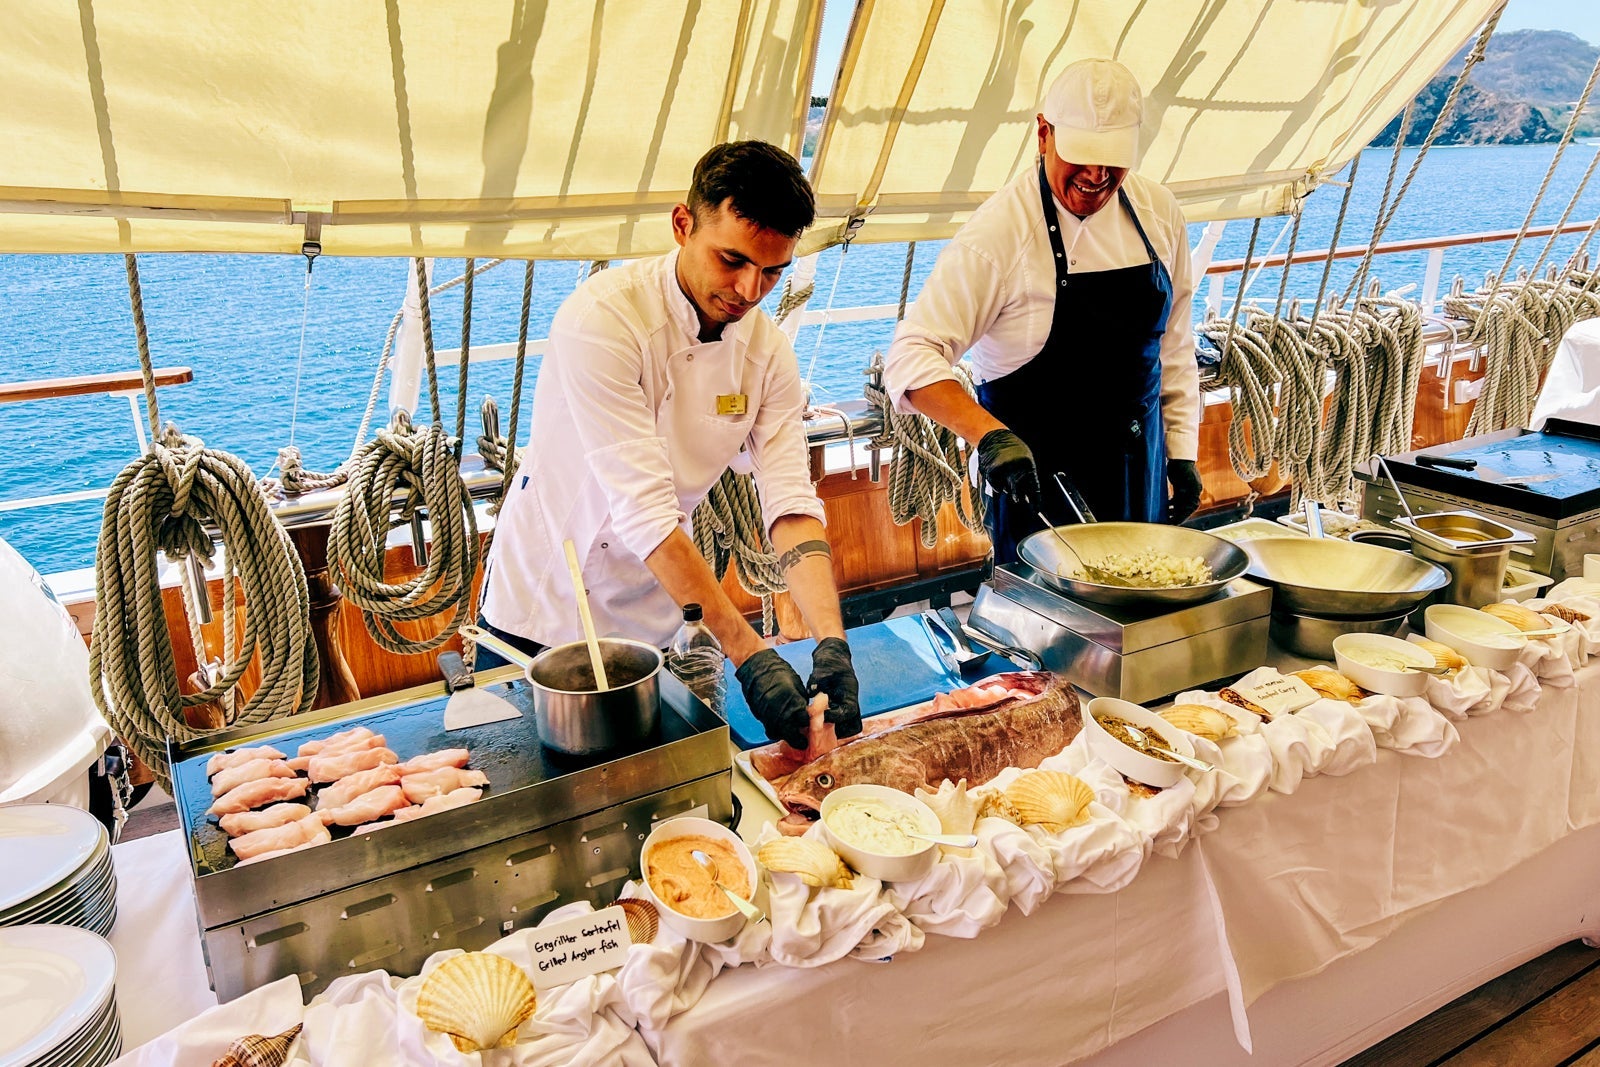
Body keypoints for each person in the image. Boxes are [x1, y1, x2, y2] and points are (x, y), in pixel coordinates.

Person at [479, 140, 861, 750]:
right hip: (548, 615)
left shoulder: (765, 353)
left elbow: (790, 500)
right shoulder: (603, 321)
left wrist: (832, 643)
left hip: (660, 616)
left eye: (772, 271)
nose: (748, 289)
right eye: (731, 260)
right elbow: (647, 512)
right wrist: (752, 659)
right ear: (683, 224)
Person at [882, 58, 1203, 565]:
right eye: (1082, 156)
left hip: (1138, 467)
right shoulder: (998, 236)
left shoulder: (1158, 212)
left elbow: (1174, 342)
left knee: (1140, 616)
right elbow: (910, 354)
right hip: (1037, 484)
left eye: (1113, 159)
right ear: (1043, 134)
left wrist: (1182, 451)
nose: (1097, 176)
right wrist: (988, 437)